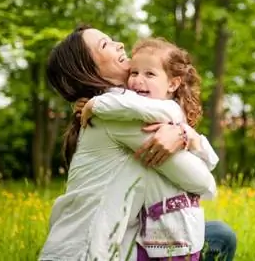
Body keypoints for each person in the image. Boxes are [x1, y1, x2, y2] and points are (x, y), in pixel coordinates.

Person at [39, 25, 236, 261]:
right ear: (88, 69)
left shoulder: (115, 107)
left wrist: (184, 135)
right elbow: (203, 182)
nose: (119, 44)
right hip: (88, 253)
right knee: (220, 237)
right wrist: (185, 135)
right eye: (105, 44)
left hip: (105, 244)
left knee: (218, 234)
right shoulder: (116, 115)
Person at [77, 37, 215, 260]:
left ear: (172, 84)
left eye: (149, 74)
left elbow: (206, 171)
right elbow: (127, 103)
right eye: (134, 73)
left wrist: (96, 104)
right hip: (150, 229)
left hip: (180, 230)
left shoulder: (165, 110)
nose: (137, 80)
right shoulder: (138, 110)